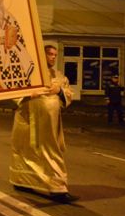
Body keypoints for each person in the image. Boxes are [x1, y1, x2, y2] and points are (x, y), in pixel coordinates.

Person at [10, 45, 78, 203]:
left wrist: (59, 91)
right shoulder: (28, 71)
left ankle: (58, 187)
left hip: (49, 123)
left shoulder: (59, 75)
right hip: (27, 119)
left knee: (52, 152)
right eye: (50, 54)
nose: (53, 57)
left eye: (55, 55)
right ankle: (22, 180)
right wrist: (28, 94)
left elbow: (68, 93)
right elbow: (14, 88)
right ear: (42, 55)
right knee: (24, 150)